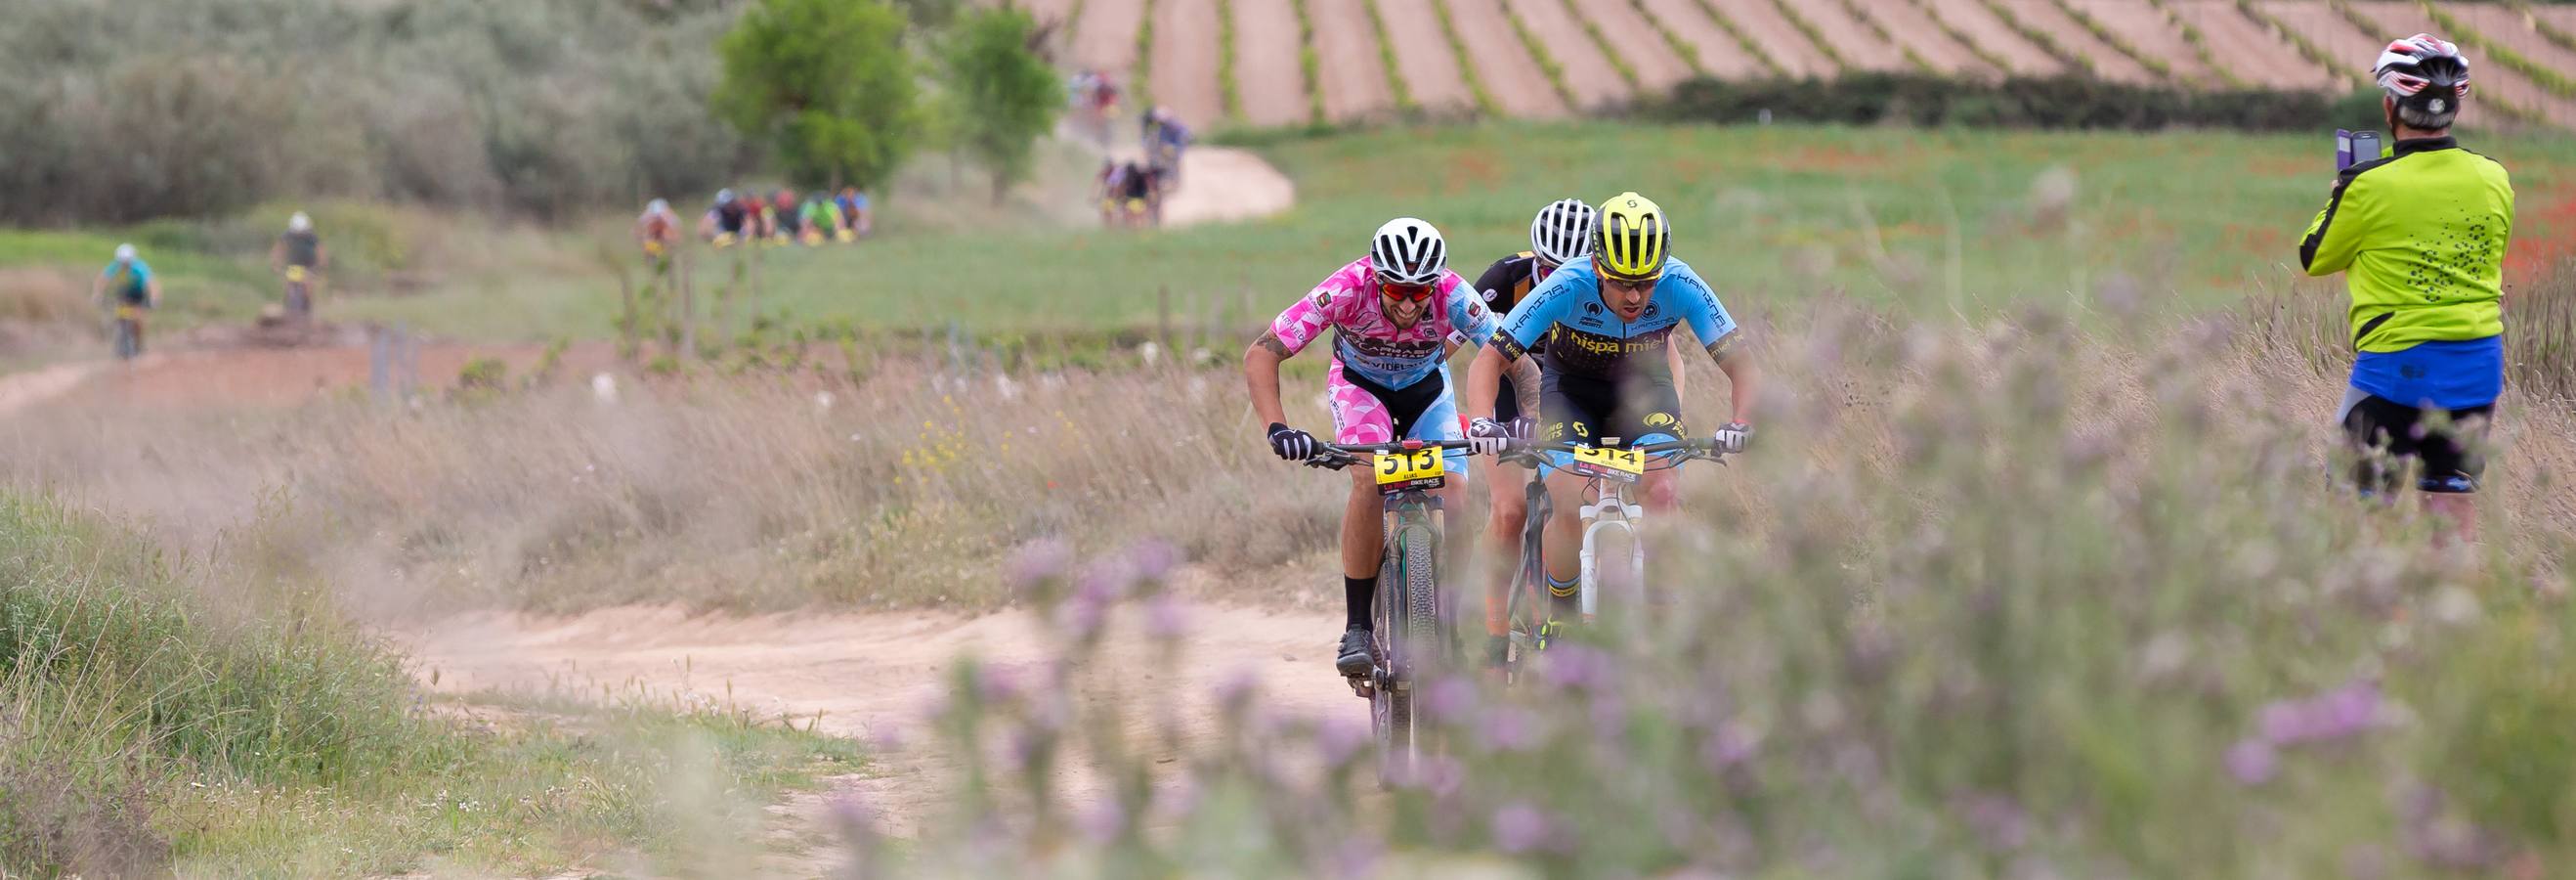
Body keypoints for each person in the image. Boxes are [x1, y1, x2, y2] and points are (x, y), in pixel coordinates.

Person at [1244, 218, 1536, 678]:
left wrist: (1528, 420)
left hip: (1426, 389)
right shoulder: (1346, 288)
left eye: (1419, 293)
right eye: (1395, 290)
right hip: (1361, 387)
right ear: (1375, 277)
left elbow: (1515, 362)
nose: (1406, 302)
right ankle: (1358, 627)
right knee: (1370, 478)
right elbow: (1262, 352)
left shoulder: (1455, 294)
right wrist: (1278, 428)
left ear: (1434, 285)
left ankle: (1449, 622)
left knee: (1456, 489)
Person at [1464, 193, 1759, 625]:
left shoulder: (1681, 282)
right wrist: (1482, 421)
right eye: (1621, 282)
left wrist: (1742, 422)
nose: (1635, 295)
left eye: (1646, 281)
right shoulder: (1567, 283)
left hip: (1644, 393)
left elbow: (1742, 366)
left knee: (1662, 492)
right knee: (1569, 503)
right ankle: (1560, 614)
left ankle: (1659, 620)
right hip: (1572, 393)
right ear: (1598, 266)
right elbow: (1490, 358)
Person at [2301, 33, 2512, 547]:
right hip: (2478, 366)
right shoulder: (2495, 178)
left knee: (2358, 506)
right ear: (2454, 106)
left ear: (2389, 104)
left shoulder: (2368, 184)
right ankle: (2448, 621)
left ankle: (2371, 620)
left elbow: (2315, 257)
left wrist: (2339, 195)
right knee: (2451, 509)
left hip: (2396, 366)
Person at [1462, 198, 1690, 666]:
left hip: (1586, 388)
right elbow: (1456, 350)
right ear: (1535, 261)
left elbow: (1666, 360)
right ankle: (1494, 630)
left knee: (1600, 487)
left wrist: (1669, 427)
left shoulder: (1627, 292)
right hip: (1521, 381)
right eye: (1548, 269)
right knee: (1510, 509)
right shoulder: (1504, 281)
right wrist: (1474, 418)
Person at [93, 243, 161, 356]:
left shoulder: (139, 268)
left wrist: (155, 298)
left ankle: (139, 344)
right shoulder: (115, 266)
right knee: (119, 314)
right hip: (123, 295)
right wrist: (97, 294)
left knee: (138, 319)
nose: (125, 265)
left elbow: (151, 283)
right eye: (122, 262)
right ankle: (119, 341)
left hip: (137, 295)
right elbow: (102, 280)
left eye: (127, 262)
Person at [269, 211, 328, 318]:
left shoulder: (311, 237)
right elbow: (278, 248)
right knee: (288, 286)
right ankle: (287, 308)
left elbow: (320, 250)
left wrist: (321, 264)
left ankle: (309, 311)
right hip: (294, 265)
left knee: (308, 287)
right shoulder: (288, 235)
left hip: (309, 265)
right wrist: (275, 263)